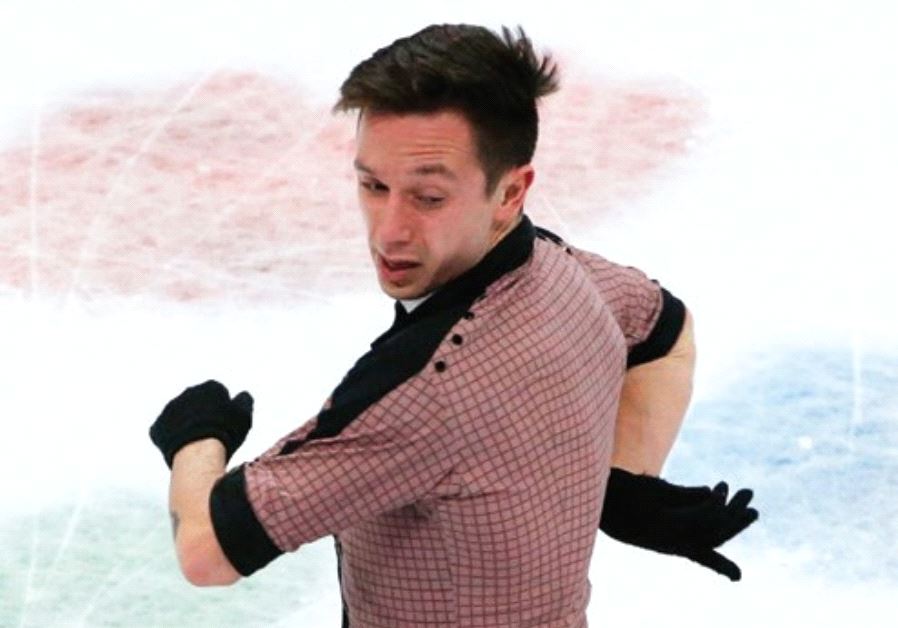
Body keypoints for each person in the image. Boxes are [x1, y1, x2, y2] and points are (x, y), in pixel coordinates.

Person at [149, 24, 758, 626]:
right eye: (373, 185)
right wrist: (622, 484)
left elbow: (209, 553)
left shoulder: (426, 391)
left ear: (510, 192)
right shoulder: (563, 272)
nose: (389, 230)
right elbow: (667, 332)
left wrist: (196, 441)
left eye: (429, 197)